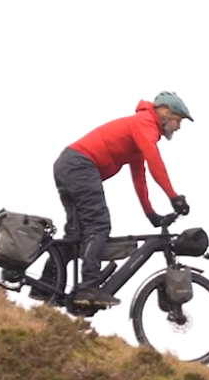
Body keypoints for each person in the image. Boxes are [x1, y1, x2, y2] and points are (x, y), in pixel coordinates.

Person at [50, 92, 193, 308]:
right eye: (178, 120)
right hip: (80, 164)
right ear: (164, 111)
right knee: (98, 225)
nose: (178, 127)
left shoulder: (139, 130)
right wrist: (173, 197)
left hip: (68, 164)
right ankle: (88, 288)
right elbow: (155, 162)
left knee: (76, 233)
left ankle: (46, 284)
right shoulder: (145, 123)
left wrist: (150, 212)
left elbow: (139, 176)